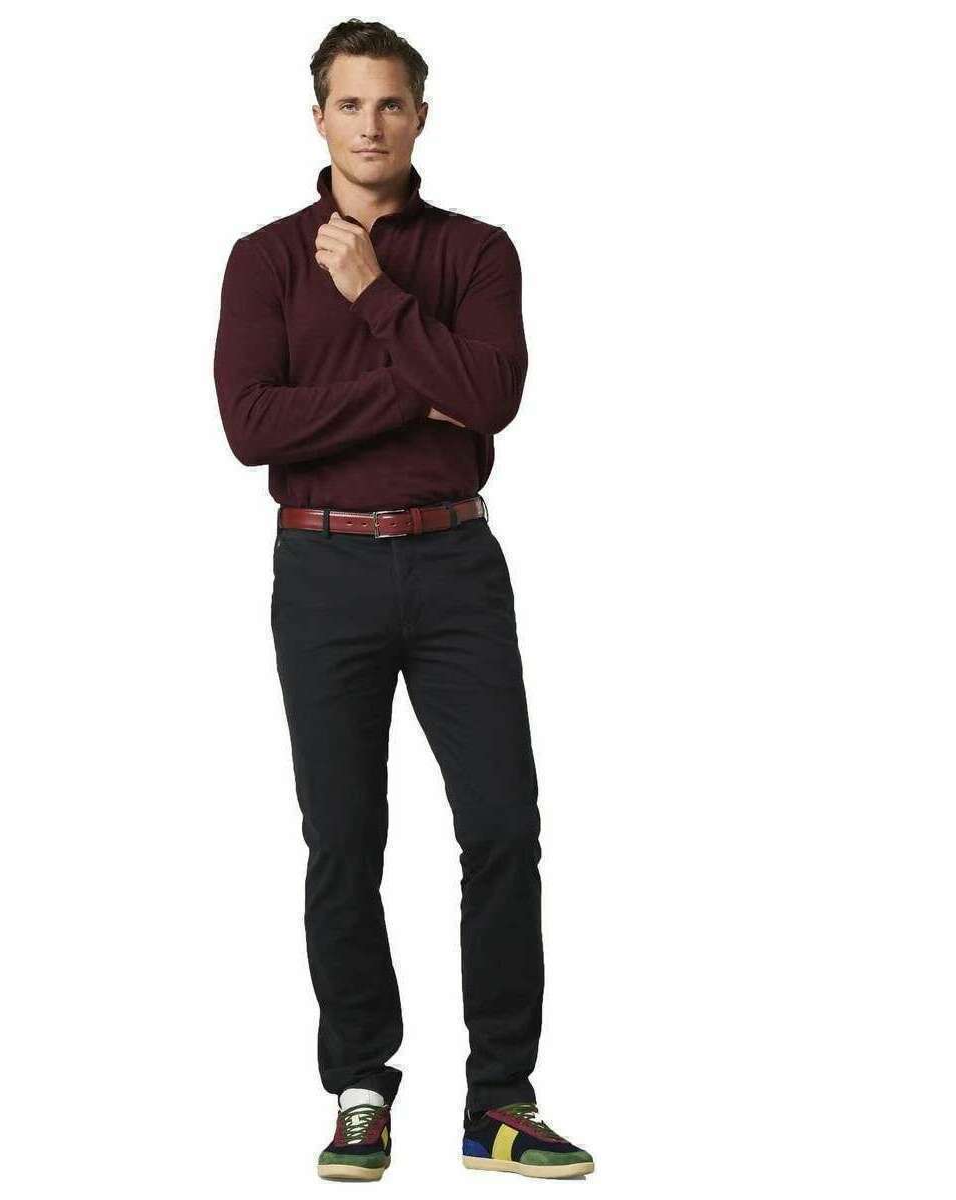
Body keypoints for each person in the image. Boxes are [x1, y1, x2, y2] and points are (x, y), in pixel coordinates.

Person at [213, 19, 593, 1182]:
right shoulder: (264, 260)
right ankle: (361, 1088)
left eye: (391, 104)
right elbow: (251, 427)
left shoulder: (477, 253)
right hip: (322, 569)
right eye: (349, 104)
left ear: (421, 116)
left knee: (503, 826)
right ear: (317, 117)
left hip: (453, 566)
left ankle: (500, 1101)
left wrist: (376, 294)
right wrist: (418, 387)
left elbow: (491, 396)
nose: (370, 126)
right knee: (343, 839)